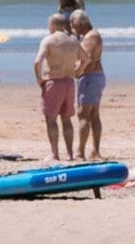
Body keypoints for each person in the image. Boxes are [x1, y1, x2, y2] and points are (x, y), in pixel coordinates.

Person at [34, 13, 81, 161]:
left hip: (53, 81)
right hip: (69, 82)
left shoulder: (48, 40)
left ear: (52, 25)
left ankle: (55, 153)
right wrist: (76, 71)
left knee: (51, 119)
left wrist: (40, 79)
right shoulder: (73, 40)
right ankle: (70, 154)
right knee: (67, 119)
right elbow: (85, 59)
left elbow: (37, 62)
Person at [70, 9, 105, 160]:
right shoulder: (91, 35)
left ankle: (80, 152)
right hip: (95, 77)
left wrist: (75, 72)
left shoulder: (91, 37)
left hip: (90, 77)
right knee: (93, 114)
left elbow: (87, 60)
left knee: (83, 114)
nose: (72, 28)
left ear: (79, 23)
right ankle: (95, 150)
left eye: (73, 24)